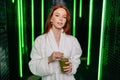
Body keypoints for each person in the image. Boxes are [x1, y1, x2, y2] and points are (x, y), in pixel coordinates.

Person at [29, 4, 82, 80]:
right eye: (57, 15)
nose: (61, 19)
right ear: (51, 19)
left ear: (66, 21)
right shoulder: (40, 40)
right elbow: (33, 66)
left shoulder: (72, 40)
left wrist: (71, 67)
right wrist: (49, 58)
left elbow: (76, 60)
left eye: (64, 17)